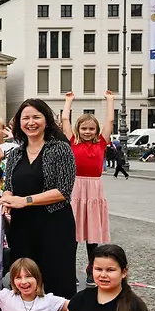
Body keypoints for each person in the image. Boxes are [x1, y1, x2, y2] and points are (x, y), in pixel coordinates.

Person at [0, 99, 77, 311]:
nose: (30, 122)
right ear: (19, 123)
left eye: (36, 117)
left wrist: (25, 201)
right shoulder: (15, 153)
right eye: (26, 118)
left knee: (57, 279)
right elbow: (9, 186)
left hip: (54, 224)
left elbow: (63, 191)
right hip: (22, 227)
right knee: (26, 278)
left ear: (46, 120)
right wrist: (7, 198)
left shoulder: (60, 149)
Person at [61, 91, 114, 286]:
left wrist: (110, 101)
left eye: (91, 128)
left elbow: (110, 120)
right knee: (72, 235)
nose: (88, 132)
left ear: (97, 130)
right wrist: (68, 101)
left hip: (94, 190)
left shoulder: (101, 142)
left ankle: (92, 269)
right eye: (84, 128)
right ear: (78, 129)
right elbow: (65, 119)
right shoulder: (72, 142)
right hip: (76, 188)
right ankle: (68, 269)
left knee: (93, 237)